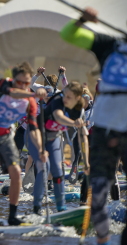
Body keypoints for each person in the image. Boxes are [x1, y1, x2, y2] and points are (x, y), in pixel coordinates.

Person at [60, 7, 127, 245]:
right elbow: (68, 34)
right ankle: (102, 239)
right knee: (97, 192)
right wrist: (82, 20)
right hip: (105, 129)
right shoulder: (110, 44)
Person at [0, 61, 47, 227]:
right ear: (14, 80)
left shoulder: (31, 102)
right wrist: (33, 94)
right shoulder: (4, 84)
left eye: (26, 83)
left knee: (15, 172)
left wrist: (41, 149)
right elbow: (13, 93)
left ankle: (13, 216)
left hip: (4, 136)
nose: (22, 85)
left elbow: (34, 128)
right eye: (19, 82)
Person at [27, 81, 87, 214]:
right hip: (36, 135)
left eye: (69, 97)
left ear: (78, 98)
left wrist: (86, 162)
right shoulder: (58, 100)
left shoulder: (80, 110)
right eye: (65, 95)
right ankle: (36, 209)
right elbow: (58, 117)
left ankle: (61, 210)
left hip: (53, 138)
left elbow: (82, 137)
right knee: (44, 167)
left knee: (58, 172)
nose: (65, 99)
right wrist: (74, 123)